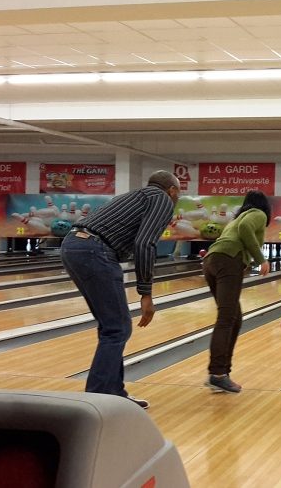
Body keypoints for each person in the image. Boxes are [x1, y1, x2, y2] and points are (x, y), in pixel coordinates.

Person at [60, 170, 179, 409]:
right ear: (172, 191)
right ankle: (99, 396)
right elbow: (145, 243)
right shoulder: (162, 199)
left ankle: (113, 391)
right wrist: (146, 293)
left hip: (73, 245)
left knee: (112, 326)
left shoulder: (135, 195)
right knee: (118, 328)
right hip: (95, 250)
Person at [203, 190, 271, 393]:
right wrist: (261, 259)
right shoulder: (259, 214)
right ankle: (218, 375)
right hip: (228, 261)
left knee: (234, 318)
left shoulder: (239, 216)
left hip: (211, 261)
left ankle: (221, 373)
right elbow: (245, 229)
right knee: (226, 319)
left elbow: (239, 229)